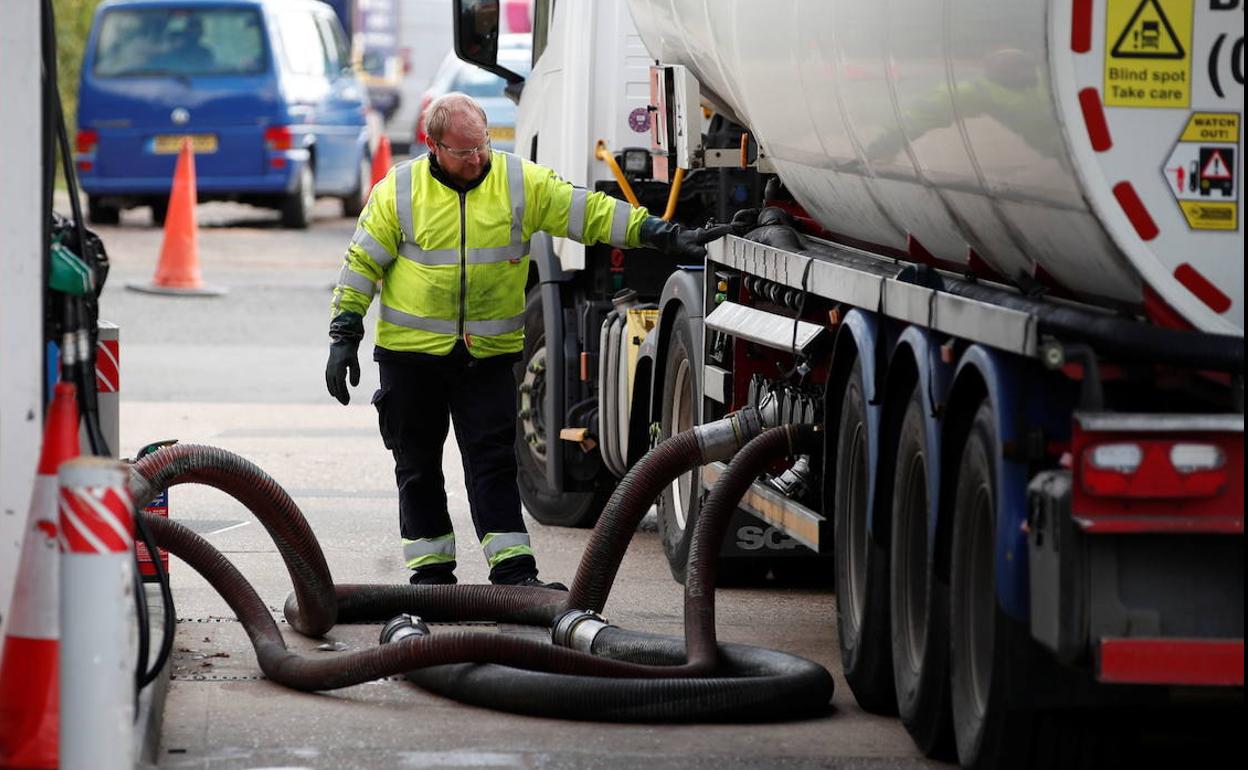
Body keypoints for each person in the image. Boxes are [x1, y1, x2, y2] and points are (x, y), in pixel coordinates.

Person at [326, 92, 717, 588]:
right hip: (411, 359)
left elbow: (588, 213)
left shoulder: (517, 182)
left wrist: (662, 234)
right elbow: (361, 265)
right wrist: (345, 335)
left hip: (485, 359)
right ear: (434, 147)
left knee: (493, 465)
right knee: (418, 465)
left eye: (483, 145)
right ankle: (430, 575)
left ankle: (512, 572)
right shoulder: (399, 192)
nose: (478, 159)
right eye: (465, 152)